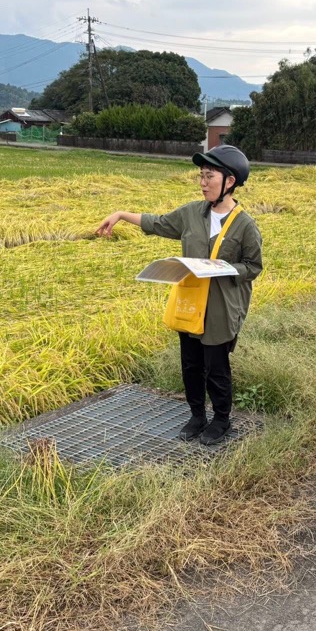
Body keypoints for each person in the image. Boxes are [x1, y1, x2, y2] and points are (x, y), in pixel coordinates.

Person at [96, 145, 263, 445]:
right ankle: (197, 415)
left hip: (220, 309)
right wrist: (121, 214)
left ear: (230, 181)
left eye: (209, 176)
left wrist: (223, 268)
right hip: (189, 303)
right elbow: (157, 223)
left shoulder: (245, 225)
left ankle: (221, 419)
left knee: (216, 368)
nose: (202, 182)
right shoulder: (190, 214)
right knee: (191, 365)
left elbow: (253, 267)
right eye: (201, 176)